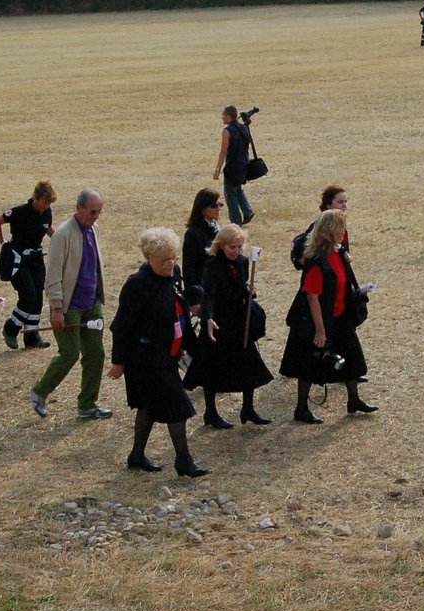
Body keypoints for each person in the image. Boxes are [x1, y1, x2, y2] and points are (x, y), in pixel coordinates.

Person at [109, 228, 208, 477]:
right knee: (178, 406)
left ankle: (136, 455)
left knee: (148, 407)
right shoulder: (136, 285)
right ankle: (183, 460)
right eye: (164, 260)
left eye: (173, 259)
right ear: (148, 258)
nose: (171, 265)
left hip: (168, 356)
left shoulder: (172, 276)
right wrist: (118, 362)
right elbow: (122, 326)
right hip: (145, 360)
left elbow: (178, 311)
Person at [281, 209, 376, 423]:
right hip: (320, 320)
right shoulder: (317, 262)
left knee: (351, 357)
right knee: (309, 365)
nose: (344, 232)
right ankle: (301, 408)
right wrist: (320, 331)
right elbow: (312, 298)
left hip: (340, 316)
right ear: (330, 231)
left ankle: (354, 400)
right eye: (340, 228)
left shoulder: (338, 253)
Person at [30, 189, 110, 420]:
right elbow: (53, 275)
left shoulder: (94, 230)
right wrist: (57, 309)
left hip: (91, 302)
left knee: (96, 353)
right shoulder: (62, 235)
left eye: (99, 212)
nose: (96, 216)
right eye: (92, 211)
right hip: (68, 306)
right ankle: (39, 391)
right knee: (69, 354)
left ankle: (87, 404)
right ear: (79, 207)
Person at [185, 223, 274, 428]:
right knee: (213, 370)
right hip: (218, 324)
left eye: (239, 246)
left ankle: (248, 409)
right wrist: (207, 318)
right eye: (231, 247)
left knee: (248, 364)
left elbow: (239, 288)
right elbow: (208, 295)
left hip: (239, 322)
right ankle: (210, 413)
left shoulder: (243, 262)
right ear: (221, 245)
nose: (236, 251)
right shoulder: (212, 266)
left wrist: (249, 291)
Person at [0, 180, 56, 351]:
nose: (46, 206)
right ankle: (11, 328)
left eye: (49, 203)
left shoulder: (46, 212)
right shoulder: (18, 212)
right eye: (44, 202)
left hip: (36, 259)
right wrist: (3, 243)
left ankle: (32, 335)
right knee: (28, 295)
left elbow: (48, 229)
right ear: (36, 198)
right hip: (18, 260)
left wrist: (59, 241)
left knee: (37, 296)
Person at [212, 105, 255, 226]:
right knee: (238, 189)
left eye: (223, 116)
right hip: (244, 166)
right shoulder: (244, 128)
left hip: (232, 168)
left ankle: (236, 222)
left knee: (230, 194)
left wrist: (217, 170)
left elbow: (223, 151)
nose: (222, 118)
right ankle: (247, 211)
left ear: (228, 117)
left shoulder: (227, 131)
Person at [182, 188, 223, 309]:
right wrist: (194, 300)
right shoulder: (193, 234)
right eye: (214, 205)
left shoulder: (219, 229)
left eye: (220, 205)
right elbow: (189, 270)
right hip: (204, 291)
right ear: (202, 208)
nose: (218, 208)